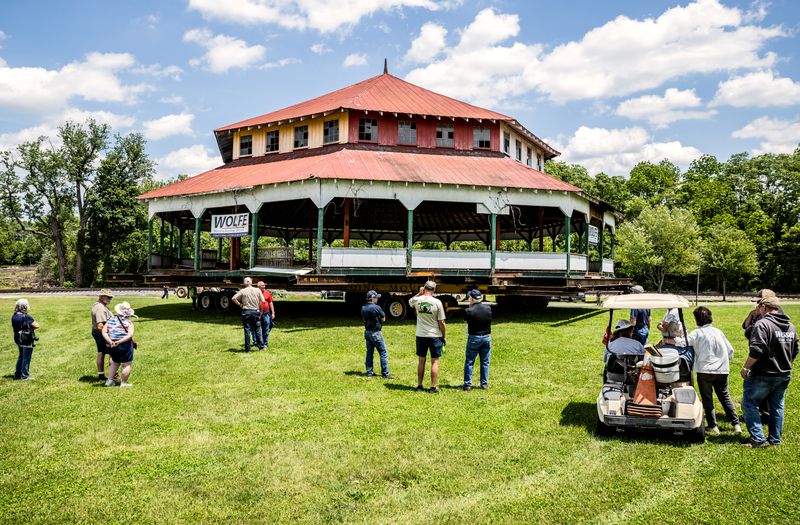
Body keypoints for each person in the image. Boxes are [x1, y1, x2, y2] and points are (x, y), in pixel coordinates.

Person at [740, 295, 798, 447]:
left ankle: (758, 439)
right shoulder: (790, 326)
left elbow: (756, 349)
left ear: (764, 308)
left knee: (749, 403)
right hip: (784, 374)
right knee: (777, 406)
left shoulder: (762, 324)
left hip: (763, 374)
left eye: (759, 308)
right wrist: (786, 363)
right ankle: (775, 439)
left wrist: (746, 367)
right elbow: (796, 348)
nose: (758, 310)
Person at [687, 306, 741, 435]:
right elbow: (730, 351)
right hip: (722, 370)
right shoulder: (718, 331)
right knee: (725, 397)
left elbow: (683, 343)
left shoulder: (696, 333)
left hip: (705, 370)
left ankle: (713, 426)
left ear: (697, 320)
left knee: (707, 398)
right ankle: (736, 424)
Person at [409, 280, 446, 393]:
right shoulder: (437, 302)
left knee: (421, 360)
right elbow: (442, 322)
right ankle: (433, 387)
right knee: (434, 361)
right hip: (434, 335)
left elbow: (410, 301)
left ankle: (419, 385)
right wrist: (444, 336)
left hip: (420, 334)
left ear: (424, 288)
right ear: (434, 290)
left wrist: (419, 294)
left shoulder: (417, 300)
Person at [361, 290, 394, 379]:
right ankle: (385, 373)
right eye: (376, 297)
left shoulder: (363, 307)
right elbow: (383, 319)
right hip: (376, 333)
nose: (377, 299)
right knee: (383, 352)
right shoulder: (377, 307)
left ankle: (369, 372)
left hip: (367, 332)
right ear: (372, 298)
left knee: (369, 353)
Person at [462, 289, 492, 391]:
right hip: (487, 337)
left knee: (470, 361)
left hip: (474, 337)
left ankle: (467, 384)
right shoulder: (488, 308)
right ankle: (484, 384)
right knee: (485, 362)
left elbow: (466, 321)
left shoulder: (468, 310)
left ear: (471, 298)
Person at [102, 302, 136, 387]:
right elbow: (130, 335)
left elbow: (104, 331)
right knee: (126, 364)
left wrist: (110, 341)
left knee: (115, 363)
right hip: (124, 345)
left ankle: (109, 381)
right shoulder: (129, 322)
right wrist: (120, 341)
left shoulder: (111, 320)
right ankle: (123, 383)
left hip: (112, 345)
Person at [232, 277, 264, 352]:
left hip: (246, 311)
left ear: (244, 283)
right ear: (251, 282)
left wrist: (240, 305)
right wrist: (261, 311)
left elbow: (233, 298)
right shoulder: (258, 290)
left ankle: (248, 349)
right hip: (255, 311)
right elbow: (263, 301)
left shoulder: (243, 291)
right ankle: (261, 347)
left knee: (247, 330)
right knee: (258, 329)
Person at [12, 299, 40, 381]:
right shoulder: (26, 316)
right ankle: (25, 376)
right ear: (24, 307)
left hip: (17, 338)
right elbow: (37, 325)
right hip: (26, 339)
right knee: (26, 357)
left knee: (21, 356)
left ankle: (18, 374)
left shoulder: (14, 316)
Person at [91, 289, 114, 380]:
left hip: (98, 333)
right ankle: (113, 375)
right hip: (101, 333)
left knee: (101, 352)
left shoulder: (99, 305)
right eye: (108, 297)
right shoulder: (100, 307)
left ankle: (101, 375)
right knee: (113, 352)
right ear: (102, 296)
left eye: (111, 297)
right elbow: (100, 326)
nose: (110, 299)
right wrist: (108, 337)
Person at [256, 281, 276, 348]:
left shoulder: (267, 293)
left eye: (264, 285)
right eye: (262, 286)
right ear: (258, 287)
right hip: (257, 313)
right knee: (257, 328)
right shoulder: (255, 293)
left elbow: (270, 303)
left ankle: (265, 343)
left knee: (267, 328)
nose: (264, 287)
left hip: (266, 313)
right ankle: (257, 342)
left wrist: (273, 312)